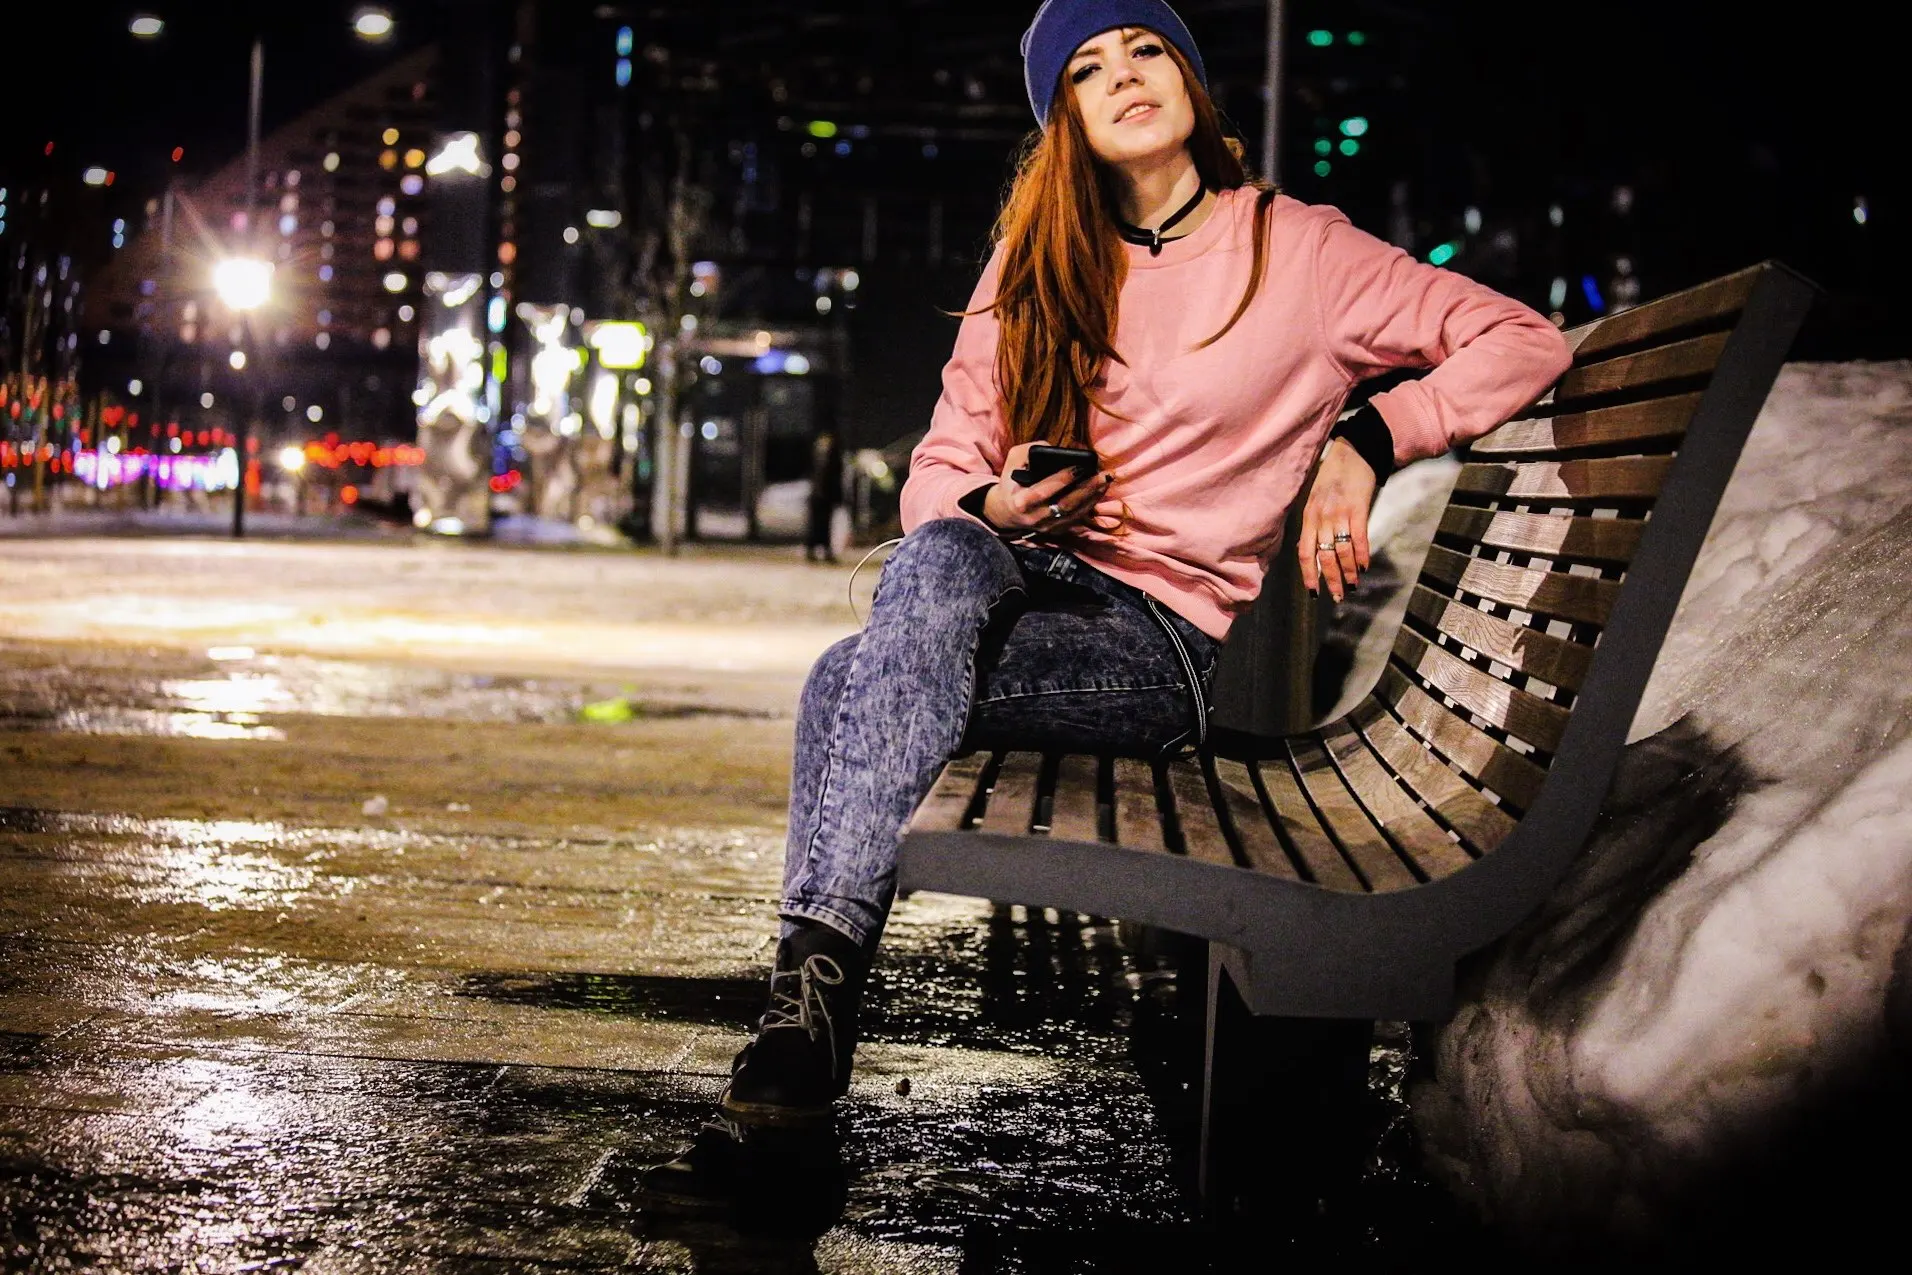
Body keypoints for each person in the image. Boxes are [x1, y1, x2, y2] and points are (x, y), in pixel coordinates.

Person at [644, 0, 1570, 1192]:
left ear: (1188, 78)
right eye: (1086, 69)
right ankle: (802, 1040)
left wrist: (1372, 435)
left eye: (1144, 49)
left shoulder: (1300, 251)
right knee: (938, 554)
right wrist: (997, 502)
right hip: (1017, 574)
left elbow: (1521, 339)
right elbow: (938, 467)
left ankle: (803, 1029)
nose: (1124, 76)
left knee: (845, 680)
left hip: (1154, 639)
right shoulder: (1035, 265)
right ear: (1063, 120)